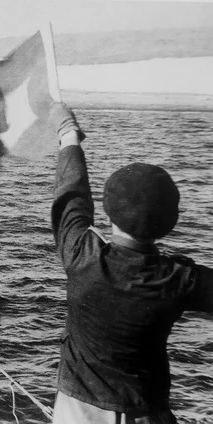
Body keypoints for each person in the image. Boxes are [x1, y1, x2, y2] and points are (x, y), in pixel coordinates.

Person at [49, 102, 213, 423]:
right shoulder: (180, 279)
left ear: (108, 210)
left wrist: (69, 135)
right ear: (171, 220)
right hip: (147, 414)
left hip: (79, 413)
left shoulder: (83, 256)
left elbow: (70, 195)